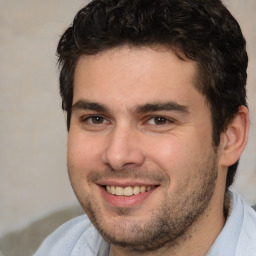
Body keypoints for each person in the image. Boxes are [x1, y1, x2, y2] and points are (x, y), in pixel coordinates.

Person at [34, 0, 256, 255]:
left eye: (158, 120)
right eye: (96, 119)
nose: (117, 156)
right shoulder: (59, 247)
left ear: (230, 137)